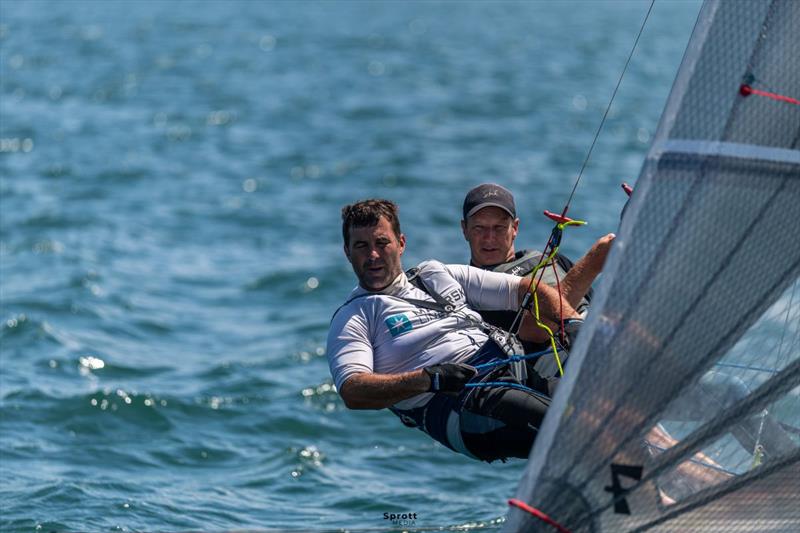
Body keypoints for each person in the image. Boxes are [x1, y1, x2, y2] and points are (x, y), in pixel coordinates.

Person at [326, 199, 605, 462]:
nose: (372, 255)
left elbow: (527, 290)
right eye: (361, 246)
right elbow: (353, 391)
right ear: (347, 252)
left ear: (401, 244)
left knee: (605, 409)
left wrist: (572, 323)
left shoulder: (434, 274)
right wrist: (427, 379)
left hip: (514, 376)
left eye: (381, 242)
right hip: (464, 406)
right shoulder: (354, 316)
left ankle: (638, 484)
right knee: (574, 427)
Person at [460, 183, 614, 372]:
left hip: (607, 336)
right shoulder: (473, 289)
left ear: (515, 228)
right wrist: (593, 264)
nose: (489, 238)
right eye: (479, 228)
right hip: (563, 365)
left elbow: (601, 308)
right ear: (464, 230)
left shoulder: (550, 260)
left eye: (499, 227)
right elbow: (537, 331)